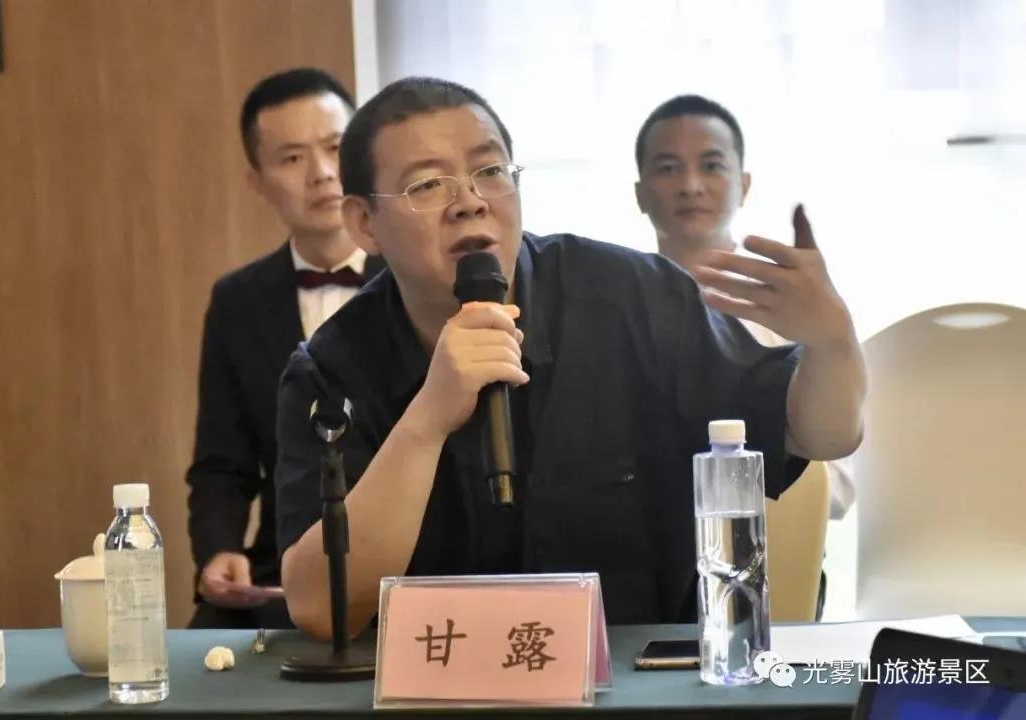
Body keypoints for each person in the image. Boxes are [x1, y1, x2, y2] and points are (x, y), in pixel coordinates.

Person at [274, 77, 866, 639]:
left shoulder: (633, 297)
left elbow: (820, 433)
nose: (470, 202)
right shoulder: (333, 368)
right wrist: (426, 420)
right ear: (364, 223)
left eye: (490, 171)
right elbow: (322, 611)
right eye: (427, 185)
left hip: (636, 681)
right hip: (435, 683)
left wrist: (833, 347)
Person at [185, 68, 383, 629]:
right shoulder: (237, 301)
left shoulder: (417, 279)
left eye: (335, 148)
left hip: (414, 556)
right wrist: (219, 548)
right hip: (286, 565)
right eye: (293, 158)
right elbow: (222, 462)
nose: (321, 173)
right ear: (258, 182)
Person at [633, 93, 855, 521]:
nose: (691, 185)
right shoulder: (618, 311)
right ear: (640, 194)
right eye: (668, 168)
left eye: (712, 165)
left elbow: (838, 487)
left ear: (744, 185)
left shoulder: (791, 307)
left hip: (765, 546)